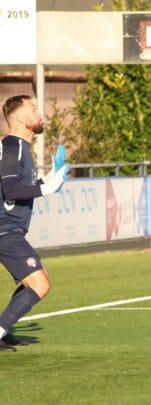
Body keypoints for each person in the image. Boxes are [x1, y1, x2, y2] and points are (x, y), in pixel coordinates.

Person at [0, 95, 70, 352]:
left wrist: (47, 181)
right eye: (33, 108)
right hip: (5, 231)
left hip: (10, 231)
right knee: (40, 284)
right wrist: (46, 188)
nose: (40, 113)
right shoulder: (13, 147)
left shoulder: (21, 147)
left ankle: (3, 330)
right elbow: (10, 190)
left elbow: (20, 188)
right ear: (20, 117)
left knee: (38, 280)